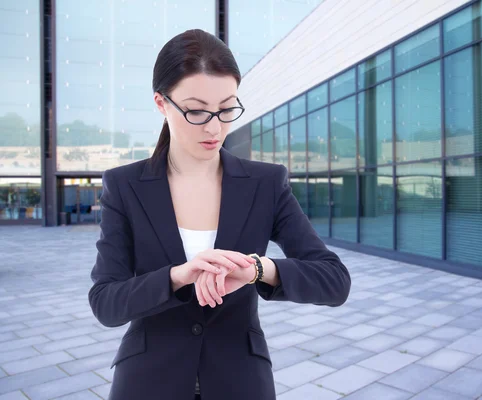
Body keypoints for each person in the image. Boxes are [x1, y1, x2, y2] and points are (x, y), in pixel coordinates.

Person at [88, 29, 351, 400]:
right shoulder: (125, 186)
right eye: (196, 111)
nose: (215, 127)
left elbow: (334, 281)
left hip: (240, 382)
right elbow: (106, 302)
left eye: (227, 109)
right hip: (147, 382)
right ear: (162, 104)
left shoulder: (266, 183)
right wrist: (178, 277)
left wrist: (258, 269)